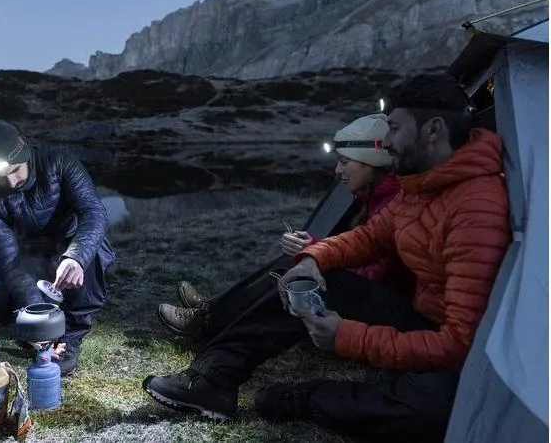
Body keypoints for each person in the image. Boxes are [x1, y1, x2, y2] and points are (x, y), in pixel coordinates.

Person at [141, 74, 512, 443]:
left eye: (395, 129)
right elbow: (369, 236)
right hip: (420, 319)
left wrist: (346, 337)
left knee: (429, 410)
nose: (387, 143)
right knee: (312, 277)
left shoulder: (476, 208)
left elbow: (460, 344)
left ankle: (306, 398)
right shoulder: (422, 184)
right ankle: (212, 381)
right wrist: (312, 259)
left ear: (433, 130)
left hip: (459, 349)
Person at [158, 113, 410, 341]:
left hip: (388, 309)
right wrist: (313, 247)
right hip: (373, 295)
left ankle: (208, 319)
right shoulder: (373, 195)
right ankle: (214, 309)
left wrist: (314, 252)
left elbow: (372, 275)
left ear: (369, 162)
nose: (337, 170)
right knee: (294, 263)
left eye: (345, 162)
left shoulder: (393, 202)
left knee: (295, 268)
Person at [0, 119, 115, 376]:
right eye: (0, 177)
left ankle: (71, 335)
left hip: (71, 246)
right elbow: (7, 259)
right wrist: (39, 325)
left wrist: (76, 257)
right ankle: (41, 324)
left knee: (94, 249)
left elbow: (95, 213)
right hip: (28, 257)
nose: (11, 182)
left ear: (23, 148)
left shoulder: (59, 160)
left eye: (15, 170)